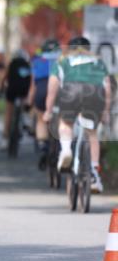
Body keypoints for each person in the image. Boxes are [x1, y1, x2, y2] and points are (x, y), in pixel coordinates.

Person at [43, 36, 111, 194]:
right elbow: (107, 88)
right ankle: (94, 173)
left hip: (71, 91)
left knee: (66, 123)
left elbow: (52, 88)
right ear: (88, 49)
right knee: (92, 133)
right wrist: (105, 112)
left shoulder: (62, 60)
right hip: (94, 93)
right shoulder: (98, 61)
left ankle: (66, 150)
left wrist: (48, 110)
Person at [27, 39, 61, 168]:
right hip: (59, 89)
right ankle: (63, 146)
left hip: (41, 88)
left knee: (41, 118)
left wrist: (29, 102)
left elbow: (32, 86)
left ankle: (43, 147)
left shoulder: (37, 62)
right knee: (62, 117)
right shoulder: (63, 61)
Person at [0, 49, 32, 150]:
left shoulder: (11, 64)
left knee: (8, 113)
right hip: (24, 90)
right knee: (26, 103)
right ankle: (26, 119)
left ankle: (5, 139)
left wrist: (0, 89)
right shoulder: (28, 65)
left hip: (12, 90)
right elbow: (32, 80)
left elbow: (4, 78)